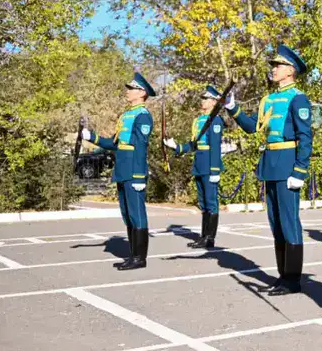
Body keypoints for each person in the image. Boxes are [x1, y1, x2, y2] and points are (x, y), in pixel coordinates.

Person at [223, 45, 313, 295]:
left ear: (291, 71)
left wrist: (300, 171)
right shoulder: (269, 99)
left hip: (287, 164)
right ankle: (283, 275)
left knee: (289, 222)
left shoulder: (298, 98)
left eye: (278, 65)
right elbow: (254, 128)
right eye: (273, 65)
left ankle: (293, 279)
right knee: (275, 223)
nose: (273, 69)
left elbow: (305, 137)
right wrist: (234, 109)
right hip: (271, 163)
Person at [82, 71, 156, 270]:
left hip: (134, 171)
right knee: (127, 214)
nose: (128, 91)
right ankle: (133, 255)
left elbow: (141, 146)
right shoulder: (126, 115)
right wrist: (91, 137)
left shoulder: (143, 116)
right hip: (123, 168)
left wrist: (140, 176)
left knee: (137, 213)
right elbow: (114, 143)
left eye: (131, 88)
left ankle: (140, 259)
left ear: (141, 93)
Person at [164, 85, 224, 249]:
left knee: (211, 203)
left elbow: (215, 146)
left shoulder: (216, 120)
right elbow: (193, 145)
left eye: (206, 98)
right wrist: (176, 147)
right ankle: (203, 236)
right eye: (203, 98)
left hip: (209, 165)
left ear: (214, 102)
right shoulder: (198, 121)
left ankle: (210, 238)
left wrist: (215, 170)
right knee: (203, 203)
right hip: (199, 163)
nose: (202, 101)